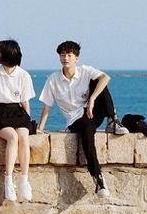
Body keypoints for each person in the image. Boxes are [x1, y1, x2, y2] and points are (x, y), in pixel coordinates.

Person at [37, 41, 128, 198]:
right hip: (75, 119)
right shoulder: (53, 79)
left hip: (90, 112)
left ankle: (112, 121)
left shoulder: (85, 71)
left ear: (76, 58)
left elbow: (106, 77)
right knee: (87, 130)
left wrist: (92, 99)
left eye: (69, 55)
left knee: (100, 81)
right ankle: (98, 178)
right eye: (62, 55)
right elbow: (47, 106)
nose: (65, 58)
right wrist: (40, 128)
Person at [0, 39, 36, 202]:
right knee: (12, 137)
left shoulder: (23, 75)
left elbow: (25, 102)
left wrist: (28, 121)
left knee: (23, 136)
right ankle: (8, 181)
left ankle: (24, 180)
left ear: (7, 54)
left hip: (17, 112)